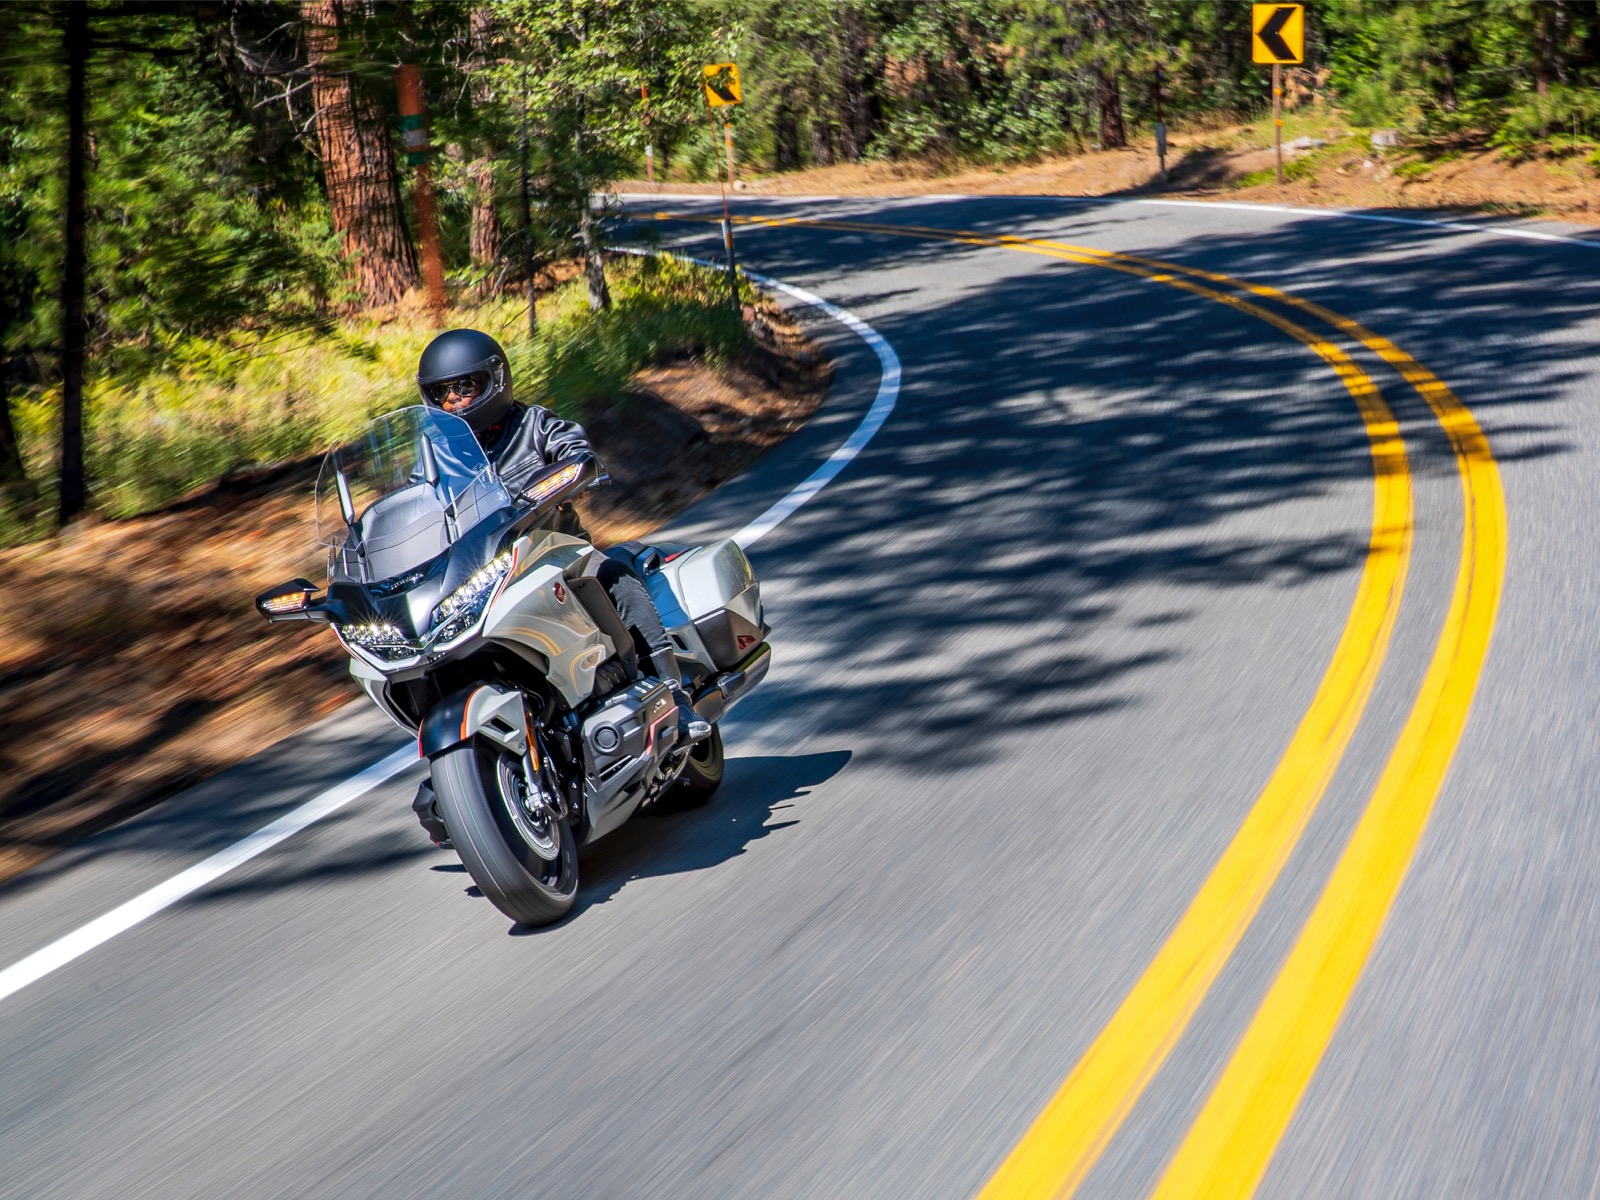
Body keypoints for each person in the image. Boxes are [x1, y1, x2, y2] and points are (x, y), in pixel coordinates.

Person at [416, 327, 710, 746]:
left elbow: (575, 450)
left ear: (493, 380)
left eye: (464, 386)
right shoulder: (436, 457)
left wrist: (574, 467)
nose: (454, 401)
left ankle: (676, 698)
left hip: (557, 557)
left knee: (613, 576)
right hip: (481, 577)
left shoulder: (534, 424)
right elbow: (416, 507)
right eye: (442, 393)